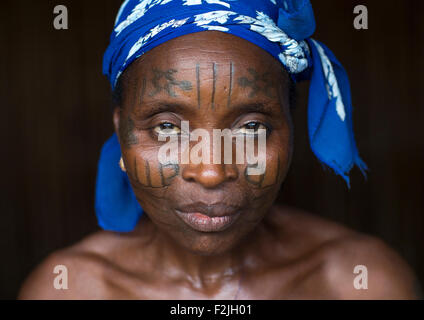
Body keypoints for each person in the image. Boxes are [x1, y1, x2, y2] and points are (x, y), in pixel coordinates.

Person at [18, 0, 421, 299]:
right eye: (166, 127)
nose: (211, 172)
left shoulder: (362, 283)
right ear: (121, 132)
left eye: (251, 127)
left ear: (290, 131)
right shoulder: (67, 289)